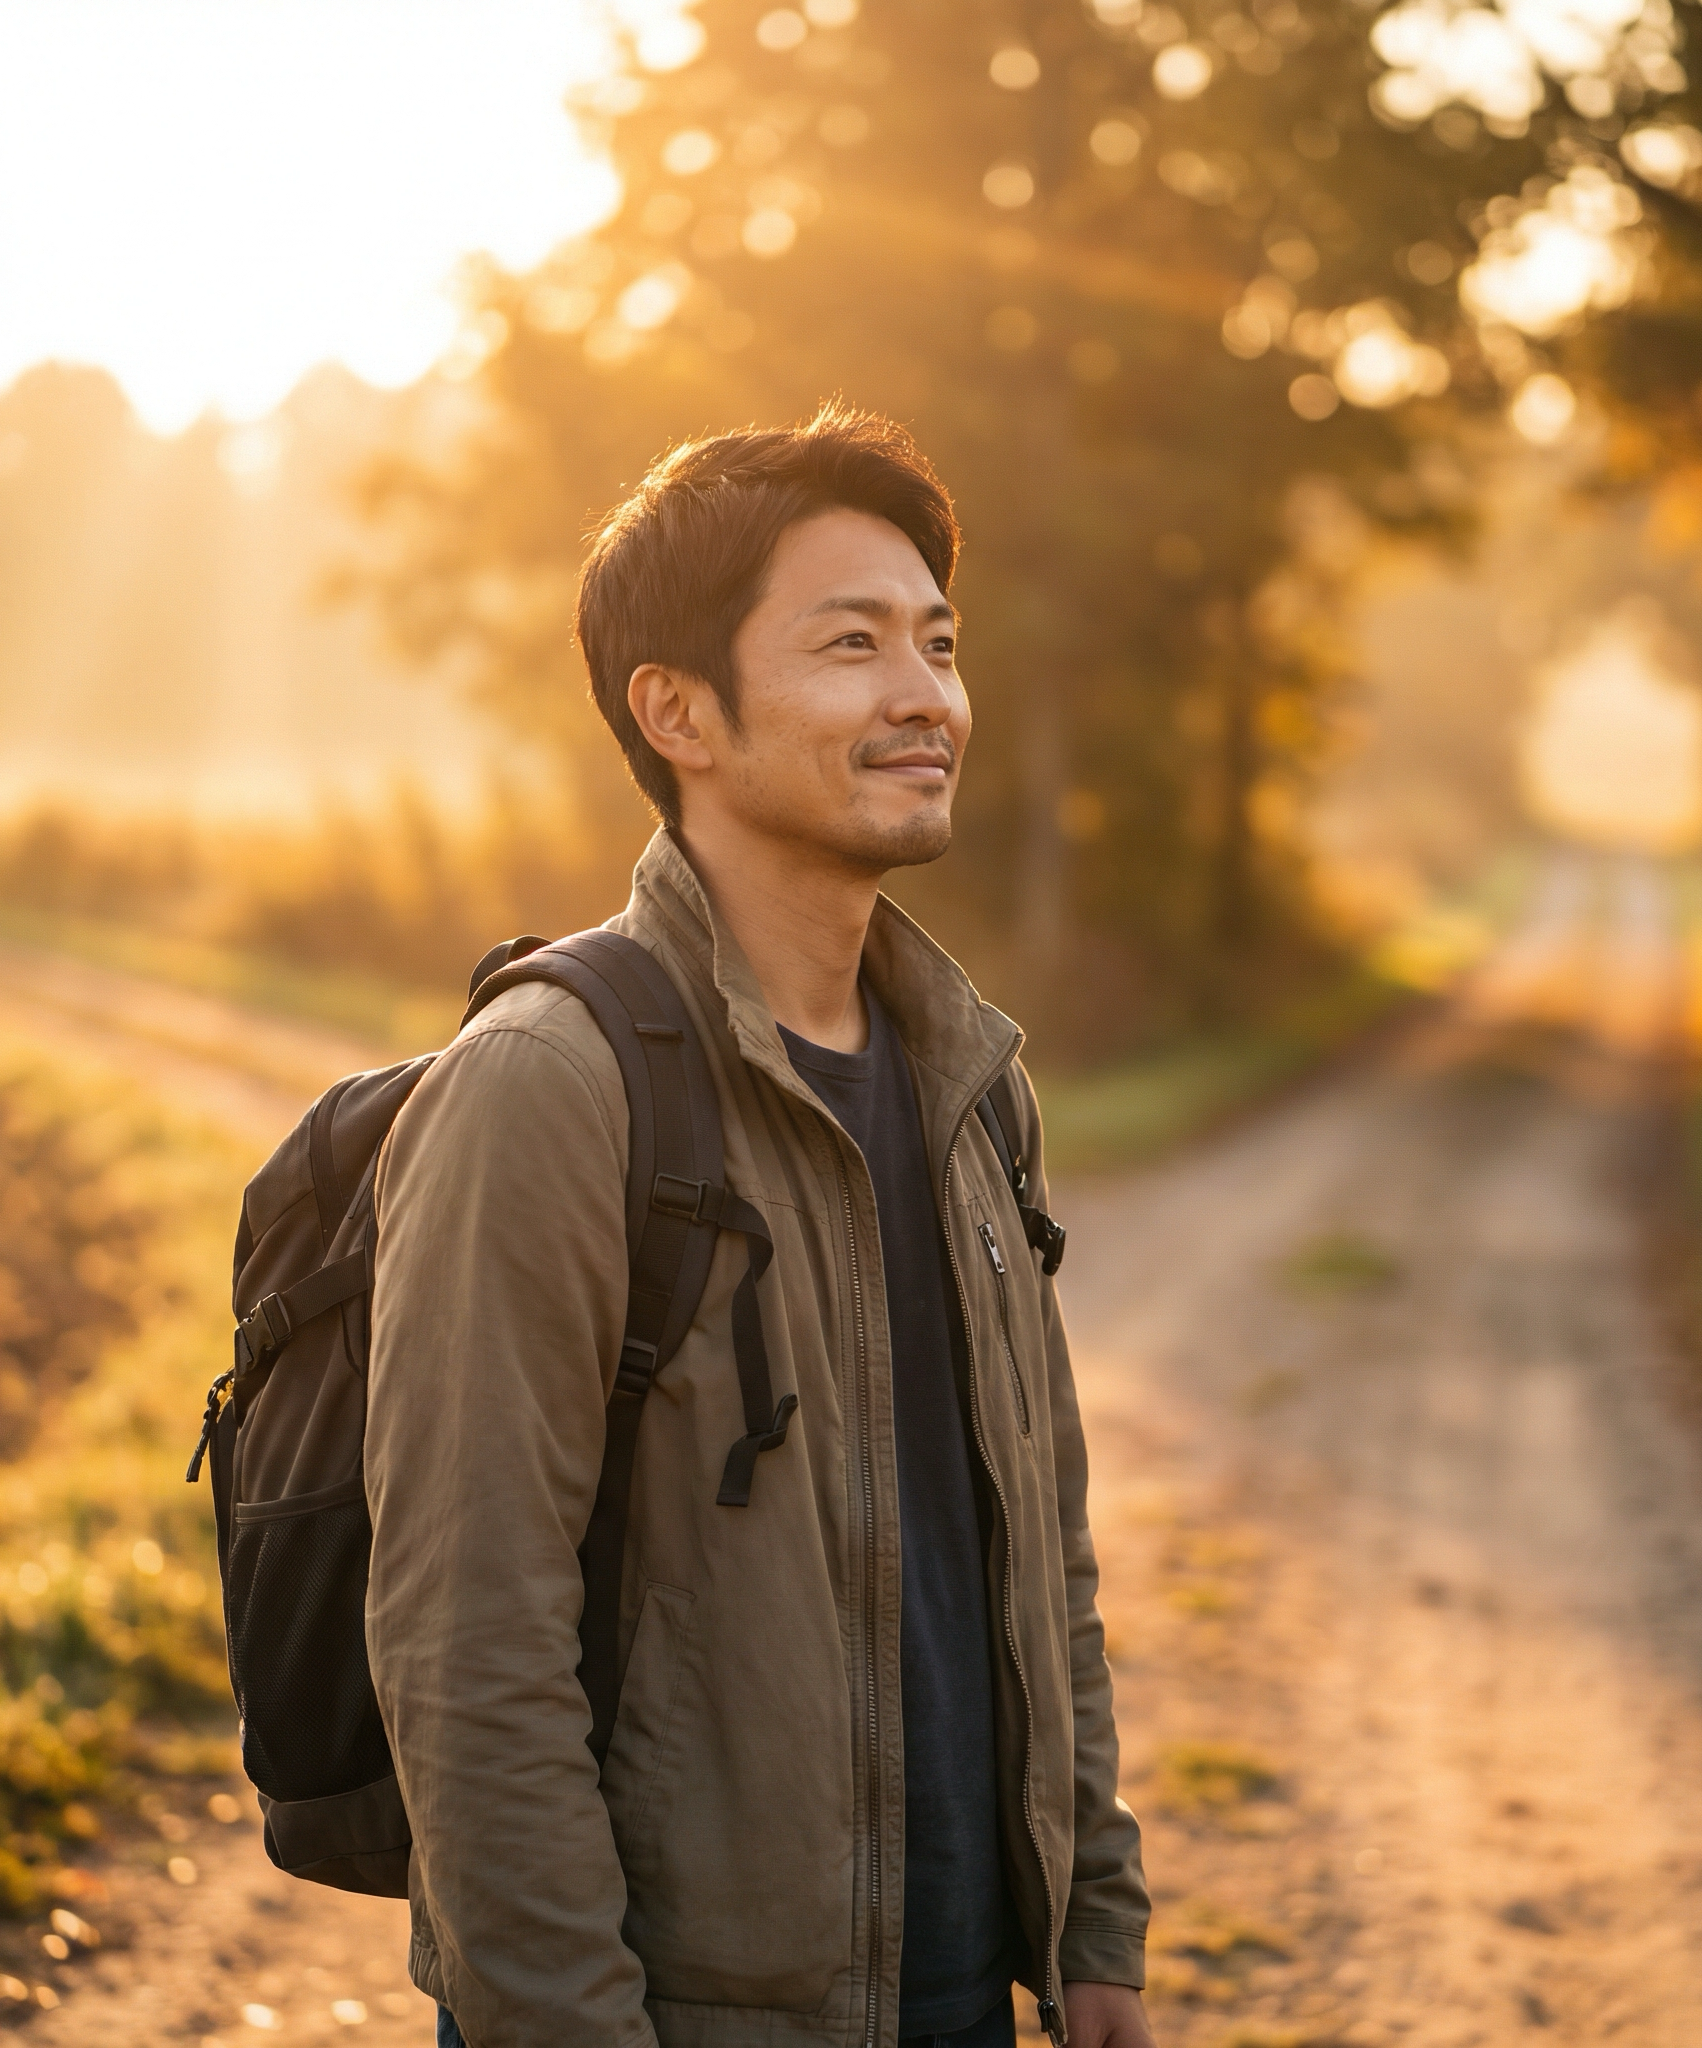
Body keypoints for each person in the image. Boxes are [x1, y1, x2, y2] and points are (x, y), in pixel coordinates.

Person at [363, 407, 1154, 2048]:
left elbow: (1040, 1552)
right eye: (852, 645)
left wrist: (1095, 1932)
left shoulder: (971, 1089)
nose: (927, 696)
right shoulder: (547, 1090)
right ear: (679, 712)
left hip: (958, 1994)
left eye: (938, 645)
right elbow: (467, 1651)